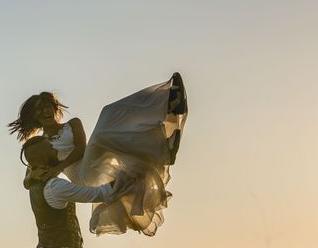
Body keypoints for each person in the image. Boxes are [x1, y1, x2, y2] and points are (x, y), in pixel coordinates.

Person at [10, 72, 188, 236]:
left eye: (47, 106)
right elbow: (27, 181)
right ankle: (164, 143)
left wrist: (57, 168)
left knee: (108, 115)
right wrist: (35, 176)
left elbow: (80, 148)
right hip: (82, 176)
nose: (46, 111)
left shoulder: (73, 123)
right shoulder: (42, 144)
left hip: (92, 160)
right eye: (40, 110)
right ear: (35, 117)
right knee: (100, 137)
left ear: (54, 107)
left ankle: (168, 108)